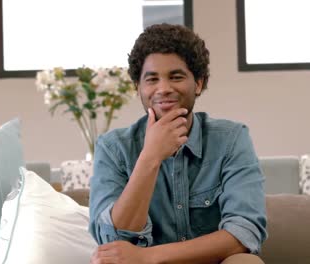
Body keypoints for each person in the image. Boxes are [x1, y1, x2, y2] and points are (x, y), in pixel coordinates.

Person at [88, 23, 267, 264]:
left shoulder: (231, 139)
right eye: (151, 79)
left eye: (176, 76)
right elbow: (112, 239)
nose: (164, 89)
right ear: (137, 87)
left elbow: (244, 233)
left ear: (199, 83)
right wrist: (150, 157)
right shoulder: (113, 148)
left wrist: (147, 256)